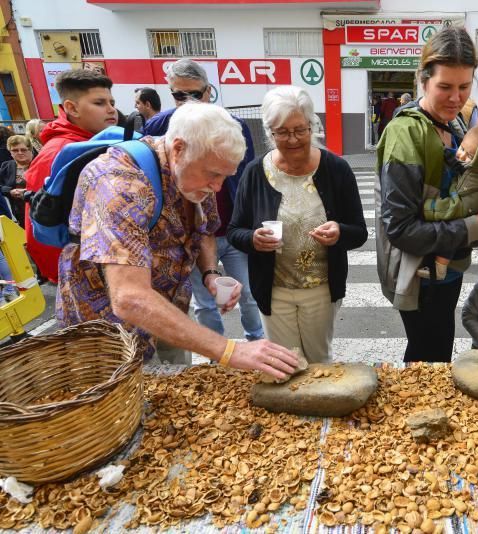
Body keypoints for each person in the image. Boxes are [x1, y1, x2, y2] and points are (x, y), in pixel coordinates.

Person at [57, 102, 299, 375]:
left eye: (225, 176)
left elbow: (206, 228)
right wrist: (230, 350)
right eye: (214, 175)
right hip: (109, 334)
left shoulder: (194, 173)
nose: (218, 187)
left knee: (176, 390)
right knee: (122, 408)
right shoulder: (120, 183)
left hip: (167, 311)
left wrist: (210, 273)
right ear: (178, 149)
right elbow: (129, 297)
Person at [375, 26, 478, 363]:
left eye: (464, 86)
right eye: (444, 86)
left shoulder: (454, 124)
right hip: (417, 272)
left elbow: (464, 191)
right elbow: (400, 229)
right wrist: (471, 229)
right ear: (423, 80)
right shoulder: (406, 134)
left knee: (437, 347)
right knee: (428, 355)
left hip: (449, 267)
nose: (456, 98)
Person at [228, 86, 367, 363]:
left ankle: (318, 406)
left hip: (321, 289)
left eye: (300, 130)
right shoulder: (255, 172)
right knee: (285, 363)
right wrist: (253, 239)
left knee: (318, 361)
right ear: (270, 133)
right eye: (282, 132)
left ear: (311, 126)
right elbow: (234, 230)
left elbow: (359, 232)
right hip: (274, 288)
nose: (292, 139)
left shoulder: (336, 169)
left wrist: (339, 232)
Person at [142, 59, 263, 342]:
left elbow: (242, 180)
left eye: (195, 94)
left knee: (246, 292)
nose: (189, 102)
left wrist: (248, 224)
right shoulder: (154, 134)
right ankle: (216, 355)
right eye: (179, 95)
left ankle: (256, 340)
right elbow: (129, 295)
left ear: (209, 91)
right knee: (204, 303)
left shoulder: (233, 127)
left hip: (230, 230)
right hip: (184, 237)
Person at [25, 69, 118, 284]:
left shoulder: (97, 144)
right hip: (82, 276)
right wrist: (67, 277)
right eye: (99, 103)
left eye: (111, 102)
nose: (111, 110)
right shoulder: (59, 152)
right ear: (72, 107)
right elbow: (40, 226)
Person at [418, 119, 478, 280]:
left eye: (468, 154)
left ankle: (439, 268)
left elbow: (454, 208)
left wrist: (425, 208)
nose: (460, 154)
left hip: (476, 228)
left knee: (451, 225)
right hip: (477, 222)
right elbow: (456, 160)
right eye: (461, 147)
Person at [0, 135, 34, 226]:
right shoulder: (6, 166)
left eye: (23, 150)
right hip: (17, 213)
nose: (19, 153)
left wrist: (28, 192)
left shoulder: (38, 163)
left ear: (30, 149)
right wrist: (10, 191)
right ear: (10, 152)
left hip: (37, 209)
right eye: (15, 150)